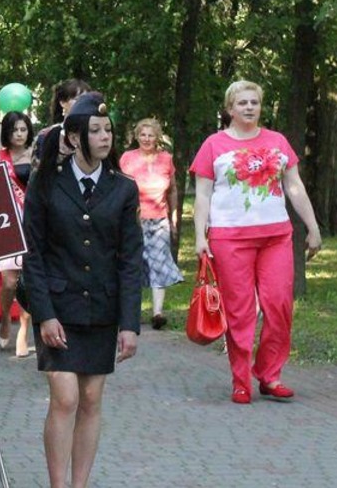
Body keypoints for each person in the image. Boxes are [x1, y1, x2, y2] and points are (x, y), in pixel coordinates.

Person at [20, 92, 142, 488]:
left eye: (108, 130)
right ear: (73, 138)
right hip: (57, 307)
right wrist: (44, 314)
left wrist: (130, 324)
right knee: (66, 397)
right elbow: (32, 253)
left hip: (101, 309)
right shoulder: (46, 183)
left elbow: (130, 260)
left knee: (90, 400)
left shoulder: (123, 188)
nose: (105, 137)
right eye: (95, 130)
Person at [192, 80, 321, 404]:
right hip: (229, 238)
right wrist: (199, 237)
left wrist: (313, 226)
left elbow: (294, 186)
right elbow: (203, 195)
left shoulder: (277, 141)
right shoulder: (213, 145)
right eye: (242, 103)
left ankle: (269, 374)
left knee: (279, 305)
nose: (249, 107)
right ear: (230, 109)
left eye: (254, 102)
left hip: (276, 236)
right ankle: (240, 381)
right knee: (240, 312)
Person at [120, 118, 184, 330]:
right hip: (132, 220)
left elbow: (172, 190)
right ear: (137, 136)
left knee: (159, 264)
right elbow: (117, 188)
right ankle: (132, 313)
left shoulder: (166, 159)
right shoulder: (127, 158)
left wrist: (173, 217)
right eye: (143, 135)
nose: (146, 139)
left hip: (159, 220)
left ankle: (157, 313)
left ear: (157, 138)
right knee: (133, 265)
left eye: (151, 135)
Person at [0, 111, 34, 357]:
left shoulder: (36, 155)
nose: (19, 134)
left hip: (32, 222)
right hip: (7, 223)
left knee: (29, 280)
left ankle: (23, 330)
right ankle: (6, 316)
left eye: (23, 129)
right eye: (14, 130)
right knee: (9, 282)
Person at [30, 79, 91, 174]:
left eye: (86, 100)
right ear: (62, 102)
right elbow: (37, 175)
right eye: (77, 99)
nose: (83, 103)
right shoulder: (46, 135)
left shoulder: (96, 133)